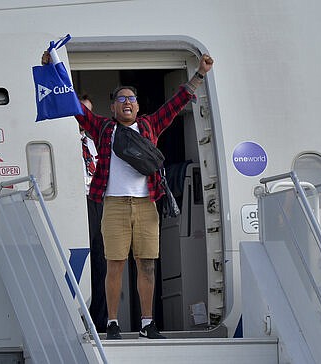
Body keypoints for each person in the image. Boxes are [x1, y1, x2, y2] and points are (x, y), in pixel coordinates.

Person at [42, 51, 214, 339]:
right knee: (115, 264)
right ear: (112, 107)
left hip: (147, 205)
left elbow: (176, 103)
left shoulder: (149, 126)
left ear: (137, 106)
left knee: (147, 264)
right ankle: (112, 322)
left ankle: (147, 323)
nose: (127, 103)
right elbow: (73, 105)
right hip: (114, 205)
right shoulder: (103, 128)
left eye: (131, 99)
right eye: (121, 99)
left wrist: (199, 74)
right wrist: (54, 70)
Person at [79, 95, 108, 333]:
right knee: (82, 262)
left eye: (88, 113)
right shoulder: (64, 142)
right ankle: (79, 320)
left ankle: (101, 322)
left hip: (99, 201)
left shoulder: (93, 142)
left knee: (103, 263)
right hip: (77, 204)